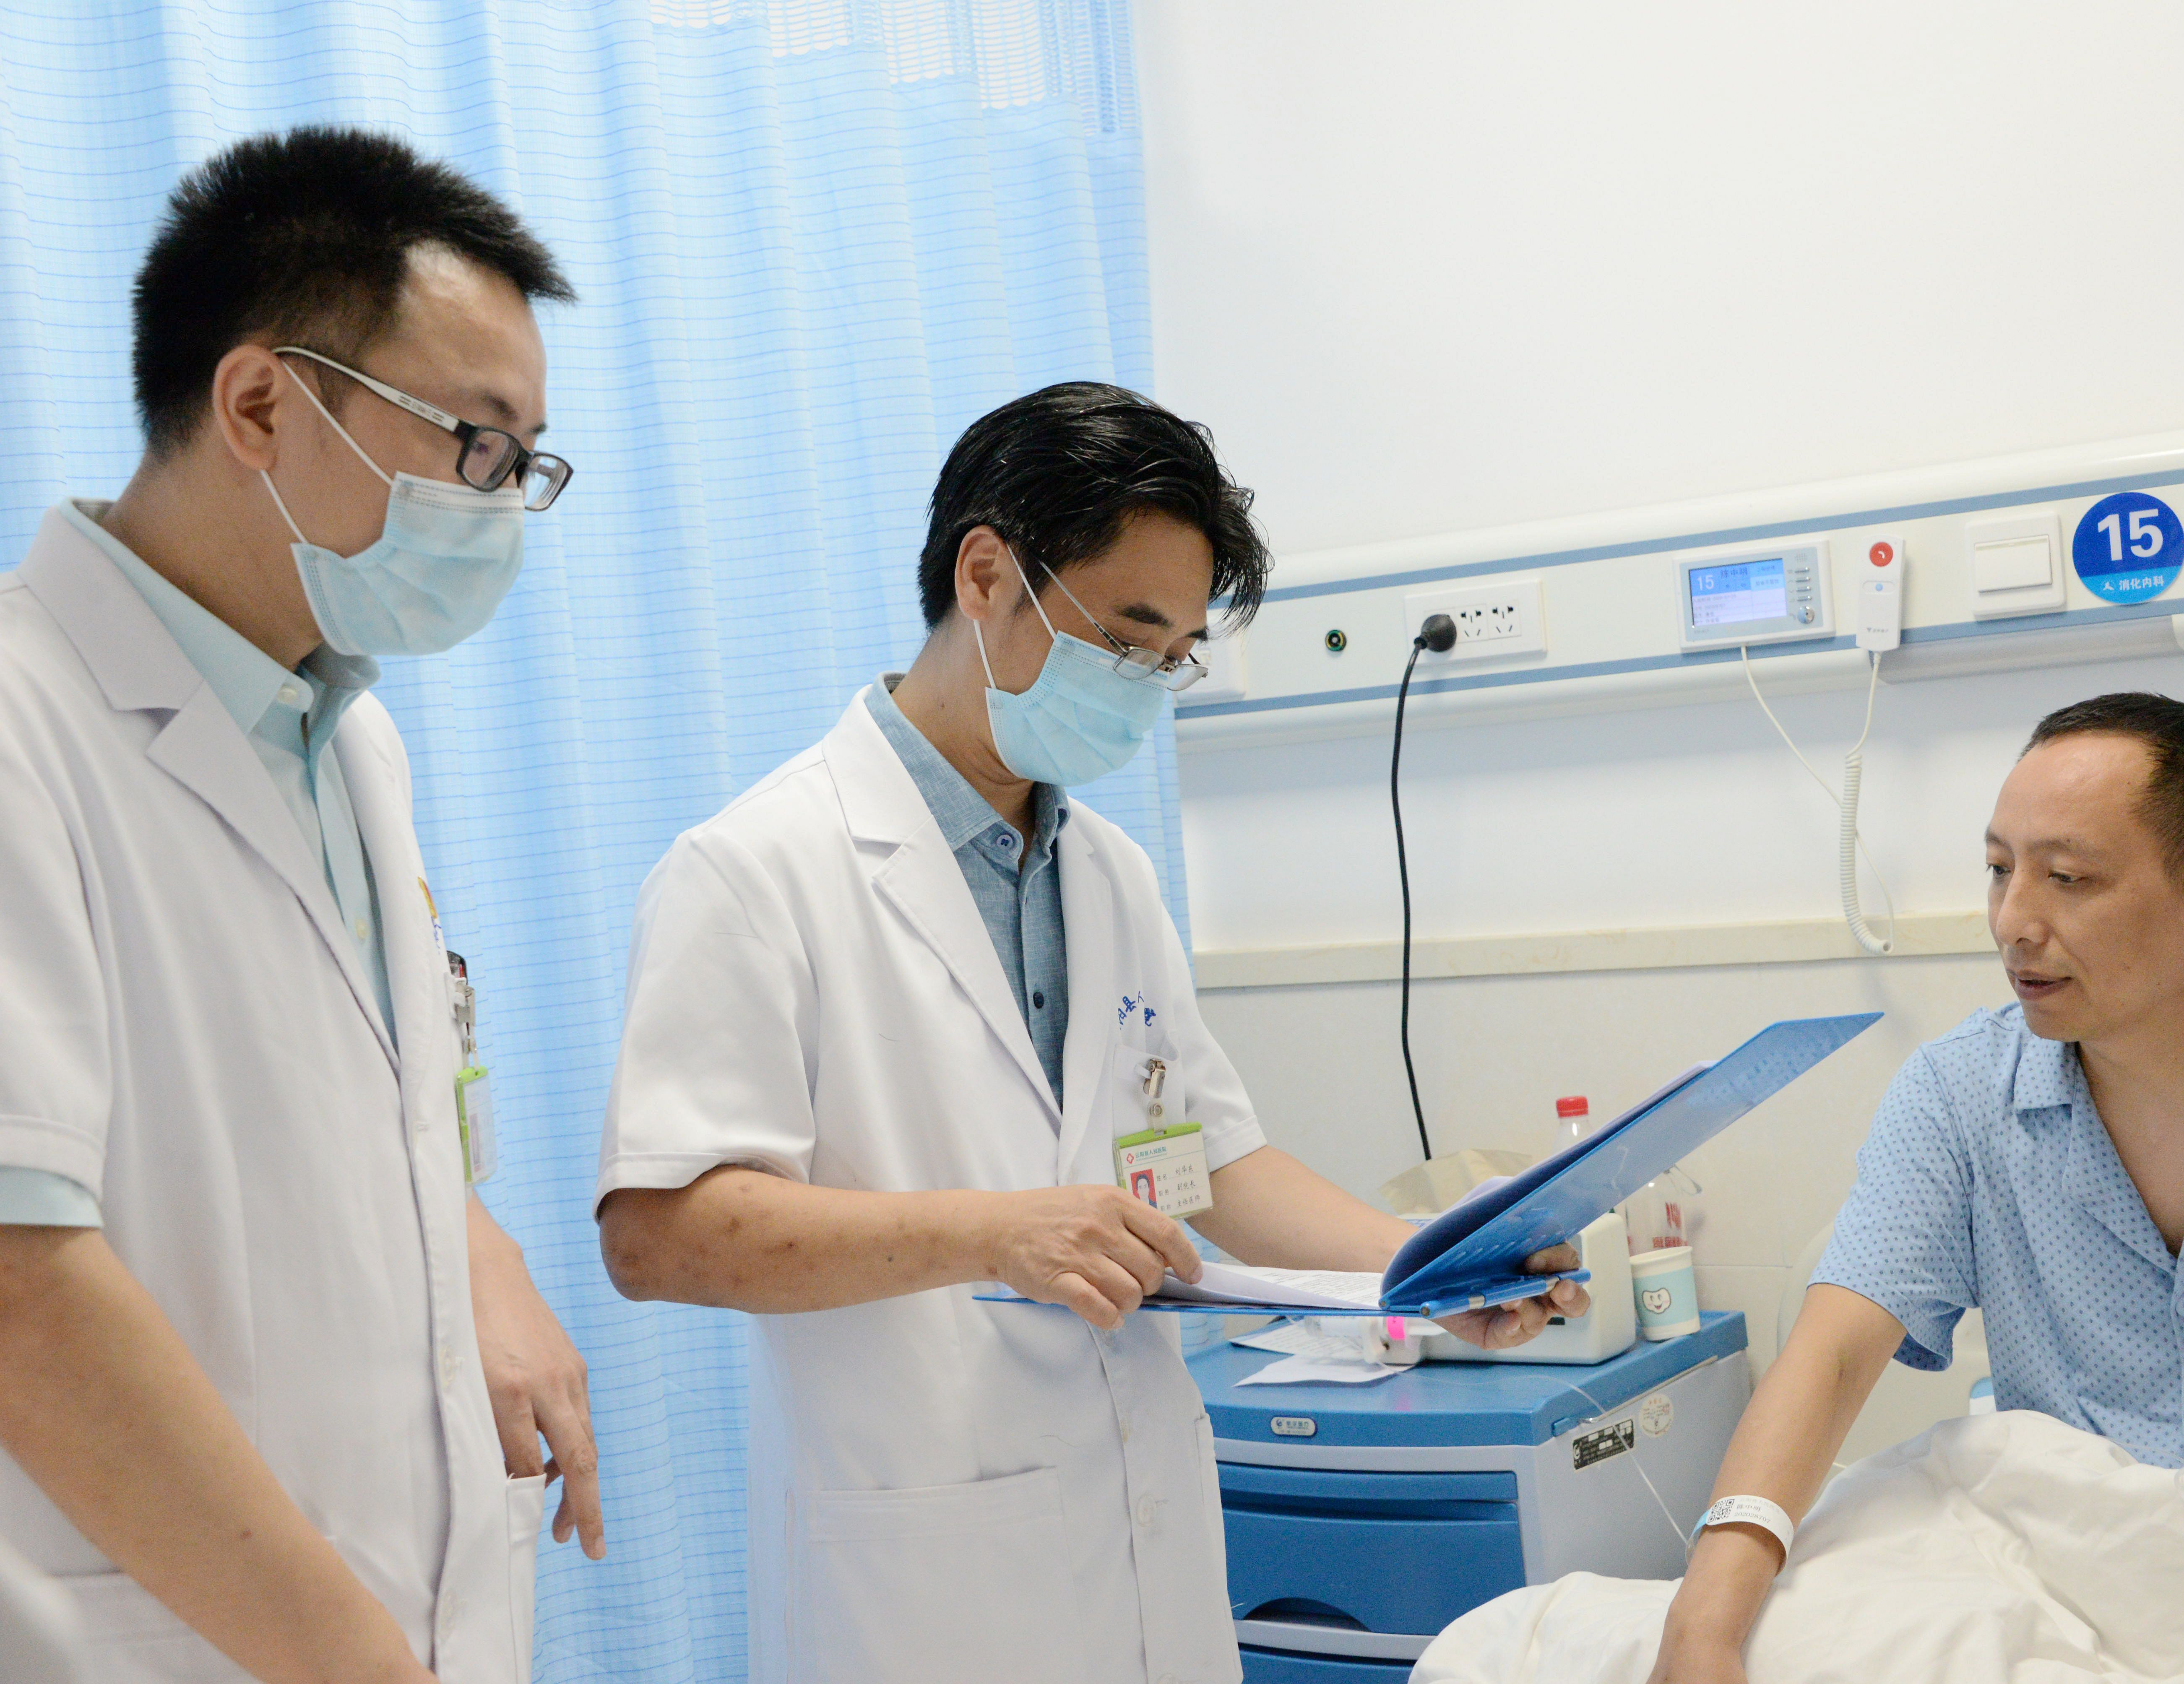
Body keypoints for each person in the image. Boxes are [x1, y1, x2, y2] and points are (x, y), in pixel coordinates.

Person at [594, 382, 1589, 1684]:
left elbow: (1212, 1167)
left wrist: (1433, 1274)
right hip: (922, 1585)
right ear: (987, 576)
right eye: (1125, 636)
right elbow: (659, 1234)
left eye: (1174, 653)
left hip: (1137, 1546)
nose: (1146, 683)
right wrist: (994, 1230)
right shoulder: (753, 871)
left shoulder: (1107, 872)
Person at [0, 128, 604, 1684]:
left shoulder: (349, 739)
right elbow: (21, 1282)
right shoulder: (20, 723)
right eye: (476, 445)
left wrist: (475, 1247)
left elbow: (360, 1111)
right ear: (261, 404)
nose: (500, 506)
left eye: (525, 463)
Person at [1649, 693, 2184, 1684]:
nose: (2012, 921)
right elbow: (1833, 1353)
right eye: (1998, 869)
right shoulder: (1957, 1092)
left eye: (2066, 878)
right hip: (2068, 1589)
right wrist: (1702, 1624)